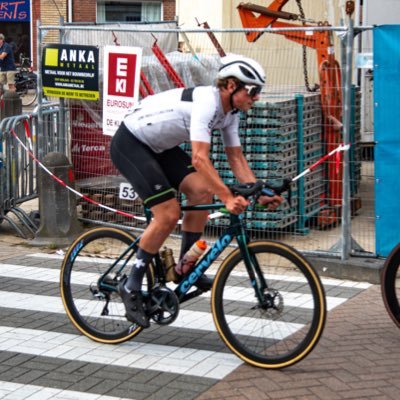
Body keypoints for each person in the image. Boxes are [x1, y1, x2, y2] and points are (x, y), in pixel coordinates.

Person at [110, 55, 283, 328]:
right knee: (168, 213)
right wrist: (227, 197)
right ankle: (131, 284)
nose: (257, 97)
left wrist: (258, 190)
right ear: (230, 86)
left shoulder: (230, 114)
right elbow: (200, 159)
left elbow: (236, 159)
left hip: (159, 147)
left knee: (202, 191)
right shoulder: (207, 103)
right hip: (132, 142)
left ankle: (185, 266)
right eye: (253, 90)